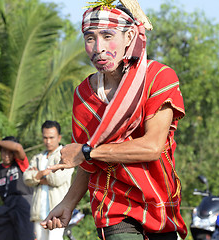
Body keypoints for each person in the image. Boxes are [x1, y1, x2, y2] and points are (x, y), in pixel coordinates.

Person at [40, 1, 188, 239]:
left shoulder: (158, 78)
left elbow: (151, 147)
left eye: (108, 36)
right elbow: (88, 165)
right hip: (113, 207)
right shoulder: (84, 94)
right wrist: (68, 203)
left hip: (160, 205)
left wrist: (88, 152)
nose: (99, 47)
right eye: (90, 38)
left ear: (129, 36)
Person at [23, 120, 74, 240]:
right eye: (45, 137)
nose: (48, 141)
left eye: (51, 137)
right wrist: (43, 173)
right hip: (39, 212)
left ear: (59, 137)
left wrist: (37, 176)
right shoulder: (38, 157)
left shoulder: (66, 156)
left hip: (57, 210)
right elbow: (26, 178)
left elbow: (57, 179)